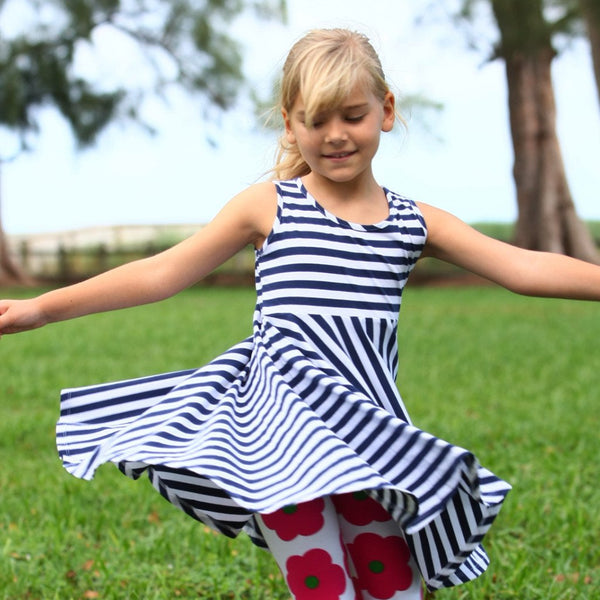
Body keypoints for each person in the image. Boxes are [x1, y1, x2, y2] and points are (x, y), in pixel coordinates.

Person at [1, 28, 599, 600]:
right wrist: (42, 309)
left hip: (365, 437)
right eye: (316, 120)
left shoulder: (413, 221)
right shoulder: (268, 207)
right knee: (325, 587)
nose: (336, 135)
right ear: (290, 122)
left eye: (353, 115)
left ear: (386, 111)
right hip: (275, 442)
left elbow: (524, 268)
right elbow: (161, 273)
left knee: (394, 585)